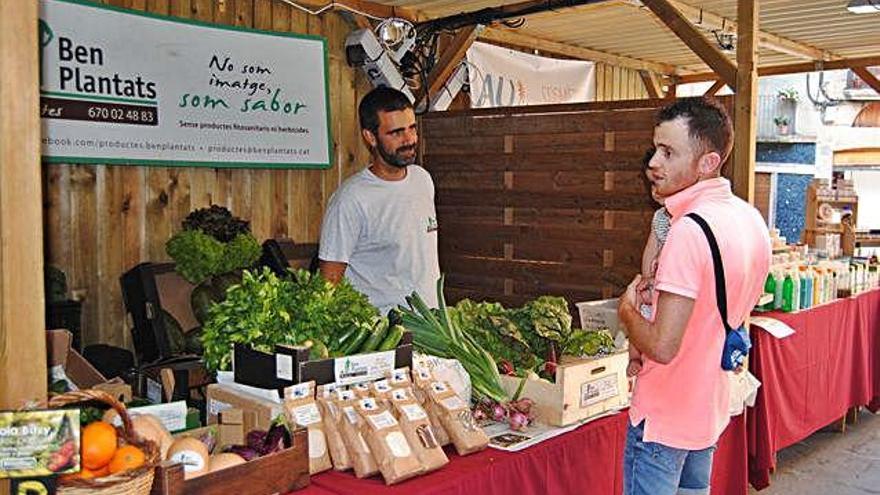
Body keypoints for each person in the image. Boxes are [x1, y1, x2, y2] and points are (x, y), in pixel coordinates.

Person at [617, 98, 771, 495]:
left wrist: (628, 312)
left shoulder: (689, 230)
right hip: (708, 408)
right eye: (655, 149)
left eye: (668, 152)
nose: (653, 162)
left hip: (665, 413)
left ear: (708, 162)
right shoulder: (749, 218)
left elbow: (663, 346)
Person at [318, 87, 440, 316]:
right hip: (384, 335)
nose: (409, 140)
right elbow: (328, 281)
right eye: (396, 133)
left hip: (433, 326)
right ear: (370, 137)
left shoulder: (423, 180)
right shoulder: (351, 200)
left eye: (412, 128)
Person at [628, 152, 670, 378]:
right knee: (639, 313)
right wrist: (646, 278)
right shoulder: (660, 217)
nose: (654, 191)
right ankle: (636, 357)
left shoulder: (687, 218)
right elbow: (650, 250)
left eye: (658, 183)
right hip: (656, 283)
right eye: (651, 185)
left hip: (674, 288)